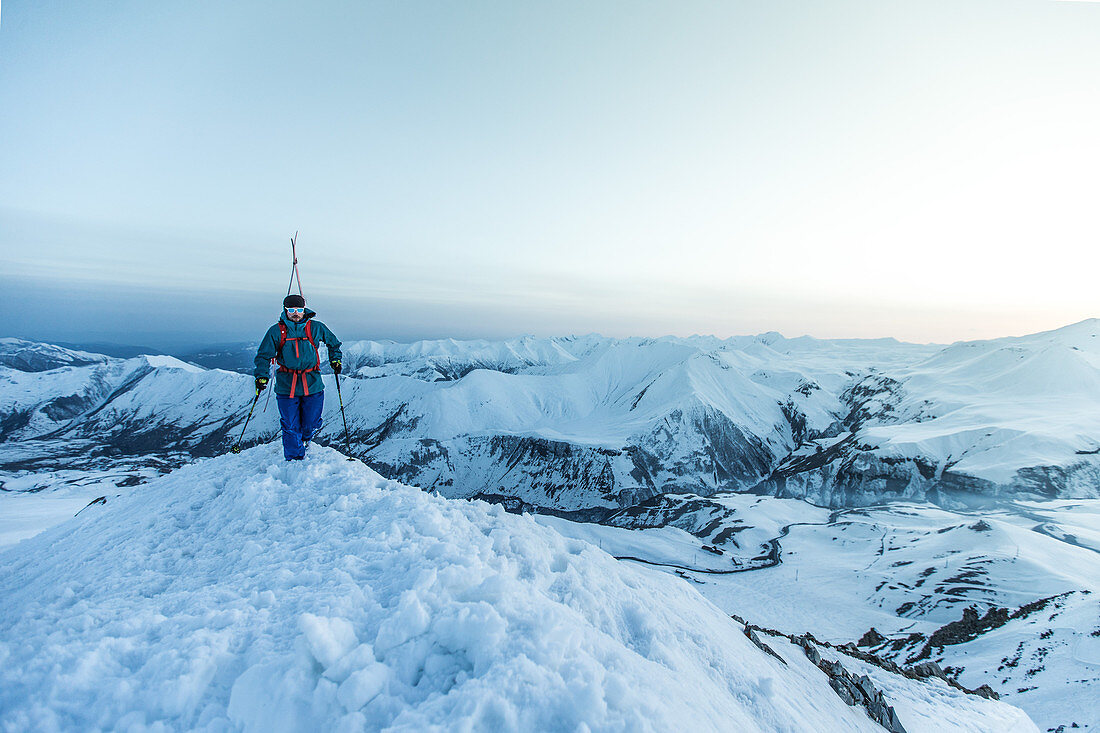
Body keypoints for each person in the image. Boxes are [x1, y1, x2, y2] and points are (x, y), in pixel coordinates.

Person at [253, 294, 343, 461]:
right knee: (289, 423)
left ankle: (305, 439)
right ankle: (294, 458)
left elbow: (334, 343)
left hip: (312, 382)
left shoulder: (315, 327)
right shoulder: (276, 331)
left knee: (311, 422)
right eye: (292, 310)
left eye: (299, 309)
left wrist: (335, 359)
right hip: (287, 384)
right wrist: (261, 376)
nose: (296, 313)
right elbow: (263, 356)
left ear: (304, 310)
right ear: (285, 310)